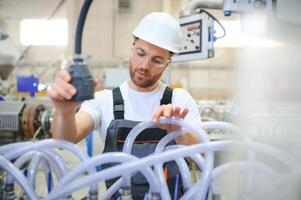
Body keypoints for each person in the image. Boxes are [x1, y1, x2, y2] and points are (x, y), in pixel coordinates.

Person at [47, 12, 201, 199]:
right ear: (132, 48)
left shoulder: (180, 100)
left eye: (157, 60)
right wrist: (65, 112)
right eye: (140, 53)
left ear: (168, 63)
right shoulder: (104, 100)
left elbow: (202, 155)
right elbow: (65, 140)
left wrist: (179, 131)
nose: (145, 65)